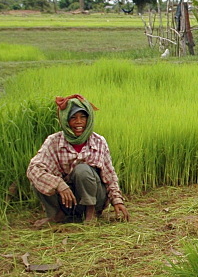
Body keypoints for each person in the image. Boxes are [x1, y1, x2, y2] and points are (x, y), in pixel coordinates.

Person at [27, 94, 130, 225]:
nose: (79, 122)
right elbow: (33, 168)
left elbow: (110, 175)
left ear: (89, 119)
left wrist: (117, 200)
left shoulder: (99, 142)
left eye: (83, 117)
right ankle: (58, 215)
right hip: (67, 200)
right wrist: (58, 184)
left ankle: (91, 212)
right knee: (37, 179)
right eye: (73, 118)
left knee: (82, 170)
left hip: (94, 196)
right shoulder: (53, 141)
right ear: (65, 120)